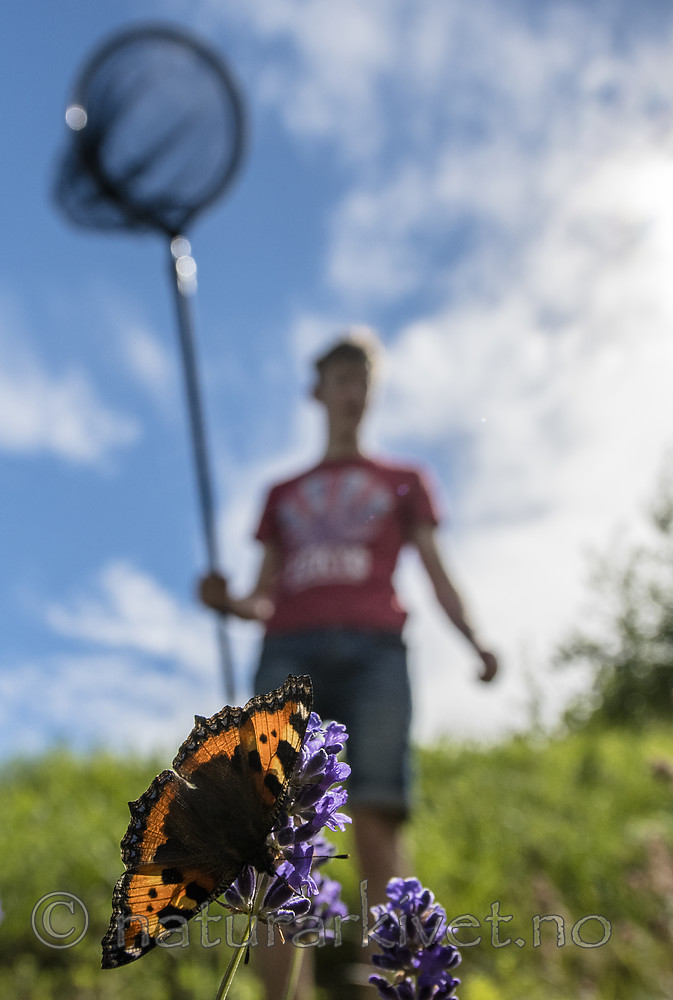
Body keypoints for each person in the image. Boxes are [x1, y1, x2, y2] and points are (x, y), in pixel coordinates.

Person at [199, 331, 498, 998]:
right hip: (287, 651)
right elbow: (262, 595)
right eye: (341, 378)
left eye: (363, 379)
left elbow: (435, 572)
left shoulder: (403, 481)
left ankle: (392, 986)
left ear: (373, 393)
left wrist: (473, 638)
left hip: (375, 652)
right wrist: (228, 603)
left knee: (377, 816)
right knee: (272, 835)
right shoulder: (282, 493)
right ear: (318, 392)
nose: (352, 392)